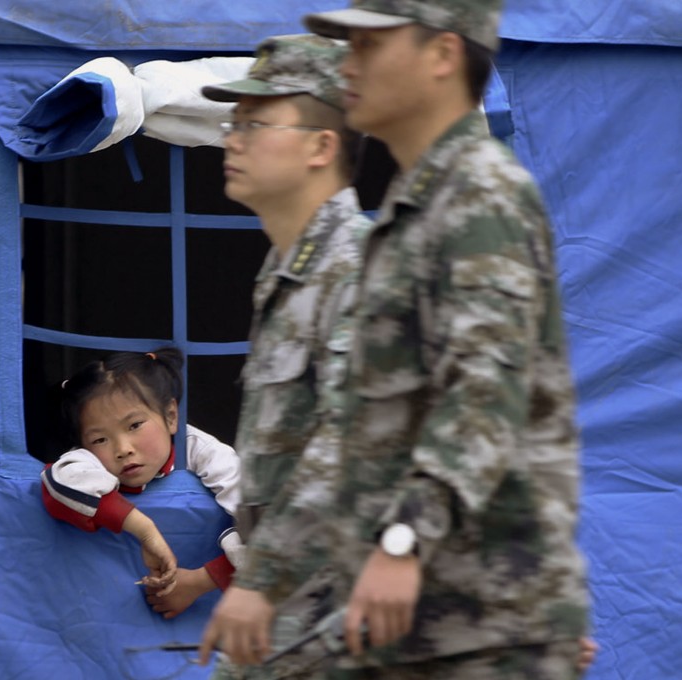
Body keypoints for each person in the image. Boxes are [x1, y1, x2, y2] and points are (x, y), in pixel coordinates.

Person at [199, 0, 592, 677]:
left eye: (371, 47)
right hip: (409, 626)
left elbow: (483, 391)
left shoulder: (483, 194)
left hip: (483, 622)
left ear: (442, 55)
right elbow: (369, 433)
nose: (349, 66)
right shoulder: (409, 218)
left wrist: (402, 542)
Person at [195, 34, 375, 677]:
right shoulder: (285, 268)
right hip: (291, 606)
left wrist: (257, 580)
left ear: (322, 147)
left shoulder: (361, 267)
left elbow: (354, 443)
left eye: (255, 122)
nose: (232, 139)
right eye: (232, 122)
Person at [40, 347, 245, 619]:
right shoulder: (87, 459)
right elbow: (61, 481)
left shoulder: (206, 452)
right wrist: (146, 531)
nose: (122, 449)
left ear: (171, 416)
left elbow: (269, 529)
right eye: (100, 439)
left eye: (134, 425)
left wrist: (200, 582)